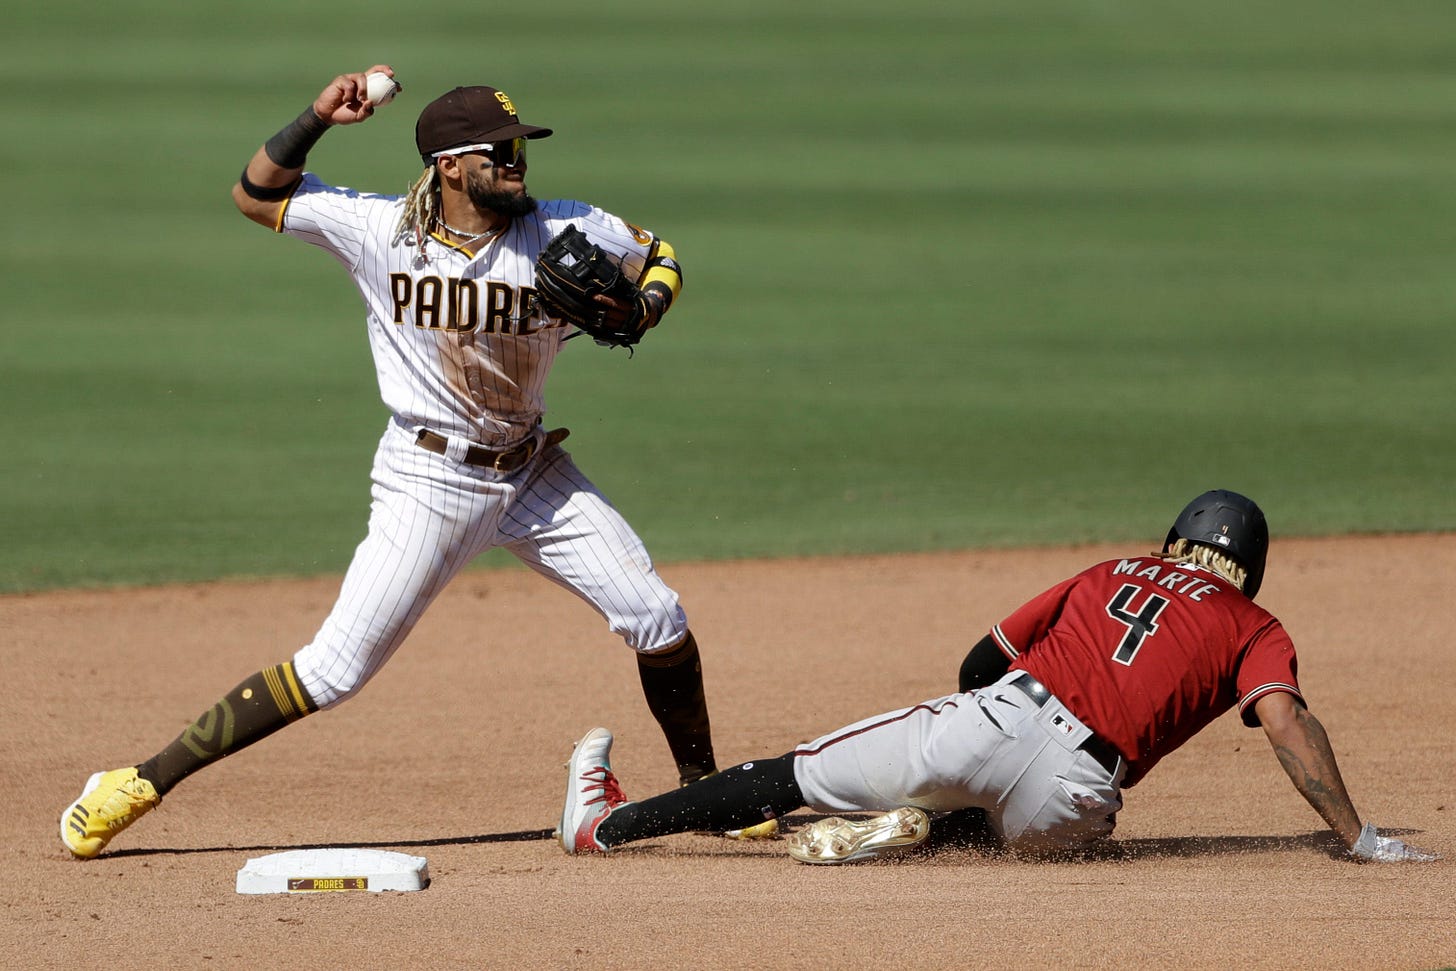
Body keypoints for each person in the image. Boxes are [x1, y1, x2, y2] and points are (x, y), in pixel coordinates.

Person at [59, 65, 768, 859]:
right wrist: (317, 117)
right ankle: (140, 779)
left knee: (657, 617)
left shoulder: (563, 226)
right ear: (451, 165)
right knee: (333, 671)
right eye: (501, 151)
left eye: (520, 148)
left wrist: (641, 307)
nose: (518, 163)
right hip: (428, 478)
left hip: (532, 471)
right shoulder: (376, 230)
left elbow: (662, 256)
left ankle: (707, 791)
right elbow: (255, 194)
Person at [557, 490, 1439, 865]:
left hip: (996, 716)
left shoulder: (1110, 571)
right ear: (1249, 565)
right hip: (1076, 796)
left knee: (791, 772)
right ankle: (930, 832)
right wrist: (1357, 834)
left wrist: (982, 722)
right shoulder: (1255, 624)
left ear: (1176, 538)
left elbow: (981, 662)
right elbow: (1286, 725)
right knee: (1015, 830)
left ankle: (603, 828)